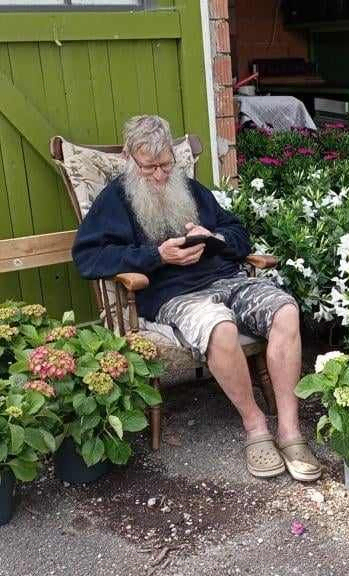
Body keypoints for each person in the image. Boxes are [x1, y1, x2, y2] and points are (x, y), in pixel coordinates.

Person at [72, 115, 321, 482]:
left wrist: (214, 238)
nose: (159, 176)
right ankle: (255, 427)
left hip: (225, 279)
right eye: (149, 167)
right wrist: (158, 256)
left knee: (285, 310)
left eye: (165, 165)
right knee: (220, 328)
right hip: (174, 295)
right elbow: (88, 258)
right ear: (129, 159)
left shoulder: (189, 189)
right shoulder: (115, 201)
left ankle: (289, 429)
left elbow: (238, 233)